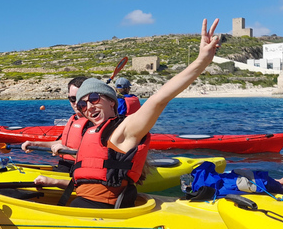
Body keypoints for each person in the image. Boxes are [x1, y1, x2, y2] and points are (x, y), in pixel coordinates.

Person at [34, 18, 220, 208]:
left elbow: (159, 99)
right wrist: (54, 182)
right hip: (82, 201)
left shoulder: (124, 130)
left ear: (111, 102)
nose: (88, 106)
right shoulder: (93, 132)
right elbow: (90, 184)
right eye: (82, 104)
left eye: (95, 99)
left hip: (101, 212)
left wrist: (201, 61)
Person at [21, 77, 92, 172]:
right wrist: (36, 144)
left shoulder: (94, 123)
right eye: (73, 99)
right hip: (65, 166)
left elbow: (95, 157)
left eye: (81, 98)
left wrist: (68, 150)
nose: (76, 103)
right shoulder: (74, 119)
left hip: (80, 171)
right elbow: (65, 143)